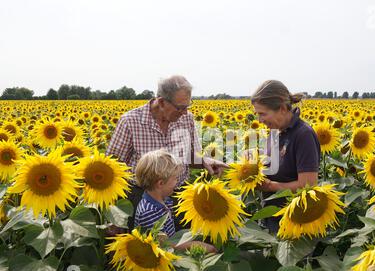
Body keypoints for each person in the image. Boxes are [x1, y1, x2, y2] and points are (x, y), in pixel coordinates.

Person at [106, 75, 228, 232]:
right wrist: (115, 214)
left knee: (180, 244)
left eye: (187, 107)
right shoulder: (131, 121)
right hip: (142, 199)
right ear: (162, 102)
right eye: (180, 108)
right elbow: (113, 166)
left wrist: (204, 161)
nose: (185, 113)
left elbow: (191, 155)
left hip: (179, 196)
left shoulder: (187, 119)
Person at [251, 80, 321, 233]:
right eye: (257, 114)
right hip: (272, 221)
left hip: (296, 224)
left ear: (282, 108)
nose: (259, 120)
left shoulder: (303, 135)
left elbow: (308, 186)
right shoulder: (275, 131)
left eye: (262, 114)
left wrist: (271, 186)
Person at [134, 149, 216, 253]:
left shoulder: (164, 200)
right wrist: (195, 245)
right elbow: (163, 245)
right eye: (175, 178)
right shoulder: (149, 212)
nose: (177, 182)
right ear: (160, 183)